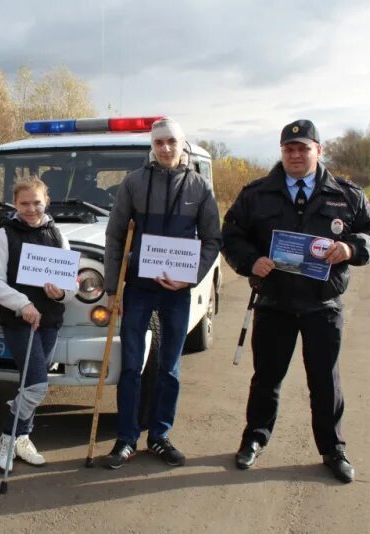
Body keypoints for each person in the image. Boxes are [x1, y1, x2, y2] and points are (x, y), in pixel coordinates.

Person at [222, 119, 370, 483]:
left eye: (303, 148)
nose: (296, 155)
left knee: (325, 382)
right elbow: (231, 235)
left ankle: (333, 449)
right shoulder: (257, 194)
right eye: (289, 149)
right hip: (274, 303)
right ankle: (254, 439)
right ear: (282, 153)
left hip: (321, 306)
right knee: (267, 378)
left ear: (318, 150)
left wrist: (350, 248)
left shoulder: (346, 194)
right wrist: (251, 261)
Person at [102, 118, 222, 469]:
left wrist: (192, 278)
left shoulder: (199, 188)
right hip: (138, 289)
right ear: (151, 147)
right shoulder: (134, 183)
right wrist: (112, 289)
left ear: (182, 144)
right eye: (159, 143)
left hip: (177, 292)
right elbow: (114, 236)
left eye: (171, 141)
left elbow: (212, 240)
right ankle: (125, 439)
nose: (166, 148)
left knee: (169, 368)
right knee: (131, 368)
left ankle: (159, 436)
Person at [0, 177, 76, 471]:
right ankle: (7, 437)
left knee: (29, 383)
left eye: (36, 202)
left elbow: (70, 281)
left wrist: (62, 292)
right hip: (19, 321)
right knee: (37, 385)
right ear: (15, 203)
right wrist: (22, 303)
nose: (31, 209)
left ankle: (23, 437)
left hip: (50, 320)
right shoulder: (4, 234)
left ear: (46, 201)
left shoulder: (56, 233)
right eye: (24, 203)